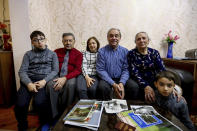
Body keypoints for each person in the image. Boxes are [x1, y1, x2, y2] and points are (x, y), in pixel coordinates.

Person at [14, 30, 59, 131]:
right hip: (28, 81)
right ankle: (22, 125)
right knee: (20, 104)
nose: (39, 42)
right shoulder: (28, 54)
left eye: (41, 39)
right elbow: (22, 71)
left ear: (45, 40)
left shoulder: (52, 54)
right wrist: (29, 83)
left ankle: (43, 124)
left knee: (40, 103)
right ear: (32, 42)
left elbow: (55, 71)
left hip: (42, 81)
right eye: (36, 40)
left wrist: (44, 81)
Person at [46, 33, 83, 118]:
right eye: (65, 40)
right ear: (62, 41)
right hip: (56, 74)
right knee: (50, 85)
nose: (68, 43)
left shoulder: (78, 54)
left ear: (74, 42)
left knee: (71, 84)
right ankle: (54, 115)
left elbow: (78, 70)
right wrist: (58, 78)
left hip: (70, 76)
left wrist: (65, 78)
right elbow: (51, 66)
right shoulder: (56, 51)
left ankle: (66, 112)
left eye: (70, 40)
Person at [127, 32, 165, 102]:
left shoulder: (154, 53)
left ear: (148, 40)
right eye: (138, 39)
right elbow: (134, 73)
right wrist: (145, 86)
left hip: (155, 80)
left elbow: (162, 69)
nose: (141, 40)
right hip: (139, 81)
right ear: (135, 42)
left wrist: (166, 83)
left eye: (144, 38)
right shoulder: (131, 53)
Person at [96, 28, 130, 100]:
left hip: (121, 78)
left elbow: (126, 69)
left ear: (120, 38)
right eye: (111, 36)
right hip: (107, 78)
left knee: (134, 87)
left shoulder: (125, 51)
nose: (114, 38)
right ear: (107, 38)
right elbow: (100, 70)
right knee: (102, 87)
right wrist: (113, 84)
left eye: (116, 36)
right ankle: (106, 108)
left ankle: (128, 107)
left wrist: (122, 83)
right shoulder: (101, 51)